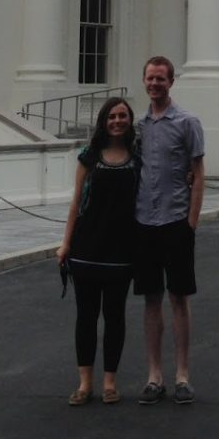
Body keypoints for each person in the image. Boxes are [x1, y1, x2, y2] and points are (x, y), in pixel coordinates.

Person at [57, 96, 140, 406]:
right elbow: (76, 203)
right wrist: (66, 243)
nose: (117, 121)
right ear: (104, 121)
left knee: (115, 316)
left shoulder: (137, 158)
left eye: (123, 116)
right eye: (112, 116)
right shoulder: (88, 158)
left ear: (130, 121)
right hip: (87, 246)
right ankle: (84, 383)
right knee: (86, 317)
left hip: (121, 249)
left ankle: (109, 383)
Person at [135, 55, 205, 406]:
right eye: (150, 78)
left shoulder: (187, 122)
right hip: (145, 222)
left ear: (171, 82)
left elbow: (198, 172)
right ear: (144, 81)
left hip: (176, 221)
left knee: (179, 298)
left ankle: (181, 374)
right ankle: (153, 375)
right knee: (151, 300)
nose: (155, 84)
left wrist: (192, 221)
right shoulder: (140, 126)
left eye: (161, 79)